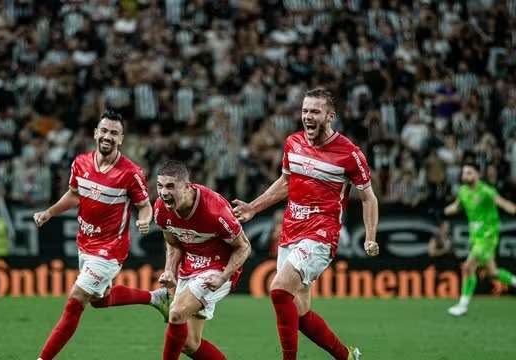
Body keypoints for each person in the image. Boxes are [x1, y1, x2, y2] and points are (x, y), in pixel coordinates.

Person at [232, 88, 379, 360]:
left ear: (330, 115)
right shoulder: (293, 143)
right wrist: (253, 207)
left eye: (315, 111)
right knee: (298, 313)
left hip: (321, 234)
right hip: (290, 231)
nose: (307, 116)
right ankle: (347, 356)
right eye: (304, 111)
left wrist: (370, 237)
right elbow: (286, 182)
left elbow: (368, 198)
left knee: (278, 290)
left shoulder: (350, 154)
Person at [33, 110, 171, 360]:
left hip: (110, 249)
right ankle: (155, 298)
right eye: (104, 130)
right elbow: (75, 194)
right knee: (99, 300)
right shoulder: (81, 162)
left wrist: (143, 220)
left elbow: (144, 204)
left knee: (75, 300)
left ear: (121, 139)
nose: (108, 136)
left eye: (114, 133)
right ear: (96, 133)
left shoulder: (131, 172)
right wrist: (49, 212)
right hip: (85, 244)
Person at [154, 160, 251, 360]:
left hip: (217, 268)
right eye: (160, 186)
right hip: (190, 267)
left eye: (171, 186)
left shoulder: (214, 210)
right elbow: (173, 243)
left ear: (187, 187)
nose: (164, 192)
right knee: (189, 344)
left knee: (176, 313)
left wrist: (223, 277)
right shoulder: (161, 209)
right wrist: (170, 270)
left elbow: (244, 247)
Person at [444, 162, 516, 316]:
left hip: (488, 235)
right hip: (476, 238)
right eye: (464, 173)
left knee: (468, 267)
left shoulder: (486, 191)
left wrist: (513, 209)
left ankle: (462, 305)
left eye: (469, 172)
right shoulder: (463, 191)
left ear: (477, 174)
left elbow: (503, 203)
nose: (465, 176)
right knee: (493, 272)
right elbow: (457, 206)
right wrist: (446, 210)